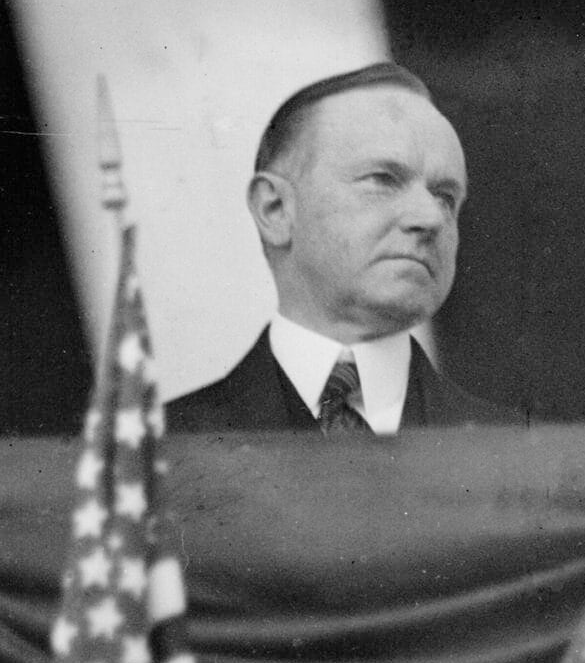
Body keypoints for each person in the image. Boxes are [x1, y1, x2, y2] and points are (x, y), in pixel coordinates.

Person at [166, 63, 520, 434]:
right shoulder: (154, 451)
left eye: (446, 197)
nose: (430, 218)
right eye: (383, 179)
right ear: (276, 210)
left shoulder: (524, 457)